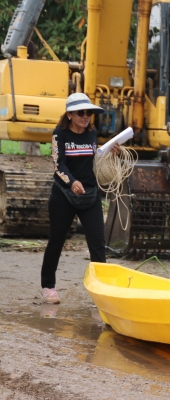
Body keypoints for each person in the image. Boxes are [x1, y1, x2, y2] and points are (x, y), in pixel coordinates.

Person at [40, 93, 119, 305]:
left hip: (89, 195)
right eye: (80, 113)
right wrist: (72, 182)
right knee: (56, 241)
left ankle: (101, 290)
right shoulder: (59, 135)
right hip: (64, 196)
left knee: (97, 243)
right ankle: (48, 287)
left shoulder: (91, 133)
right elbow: (58, 165)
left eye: (88, 113)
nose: (85, 117)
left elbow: (95, 160)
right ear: (69, 115)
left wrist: (112, 154)